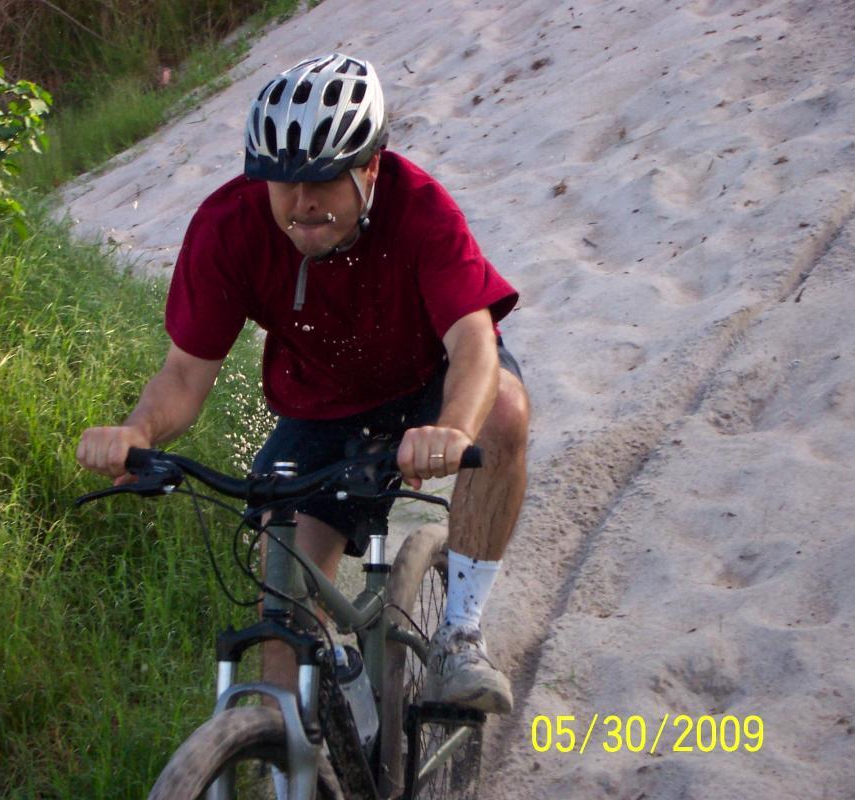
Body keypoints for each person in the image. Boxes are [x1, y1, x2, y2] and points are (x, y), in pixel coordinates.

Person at [76, 52, 529, 718]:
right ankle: (297, 753)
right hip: (322, 409)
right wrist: (137, 432)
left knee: (506, 414)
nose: (301, 202)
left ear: (370, 167)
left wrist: (453, 430)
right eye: (281, 181)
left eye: (322, 180)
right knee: (281, 628)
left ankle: (460, 634)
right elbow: (183, 374)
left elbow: (472, 341)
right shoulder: (229, 229)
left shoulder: (422, 212)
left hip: (432, 387)